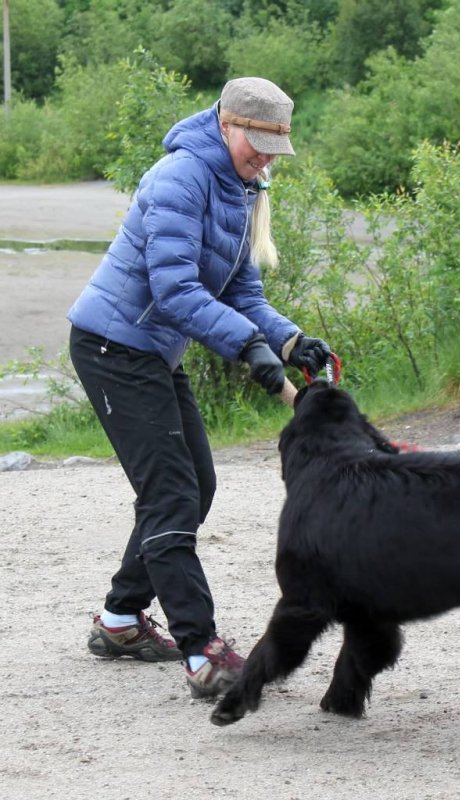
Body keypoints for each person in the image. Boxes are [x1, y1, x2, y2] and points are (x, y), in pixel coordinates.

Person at [67, 77, 332, 699]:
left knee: (195, 485)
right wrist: (248, 350)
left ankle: (119, 620)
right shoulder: (180, 178)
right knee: (172, 496)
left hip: (153, 351)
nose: (265, 158)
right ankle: (202, 650)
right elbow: (175, 291)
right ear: (226, 124)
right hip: (113, 348)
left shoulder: (239, 185)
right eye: (257, 144)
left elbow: (241, 292)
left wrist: (292, 343)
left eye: (274, 148)